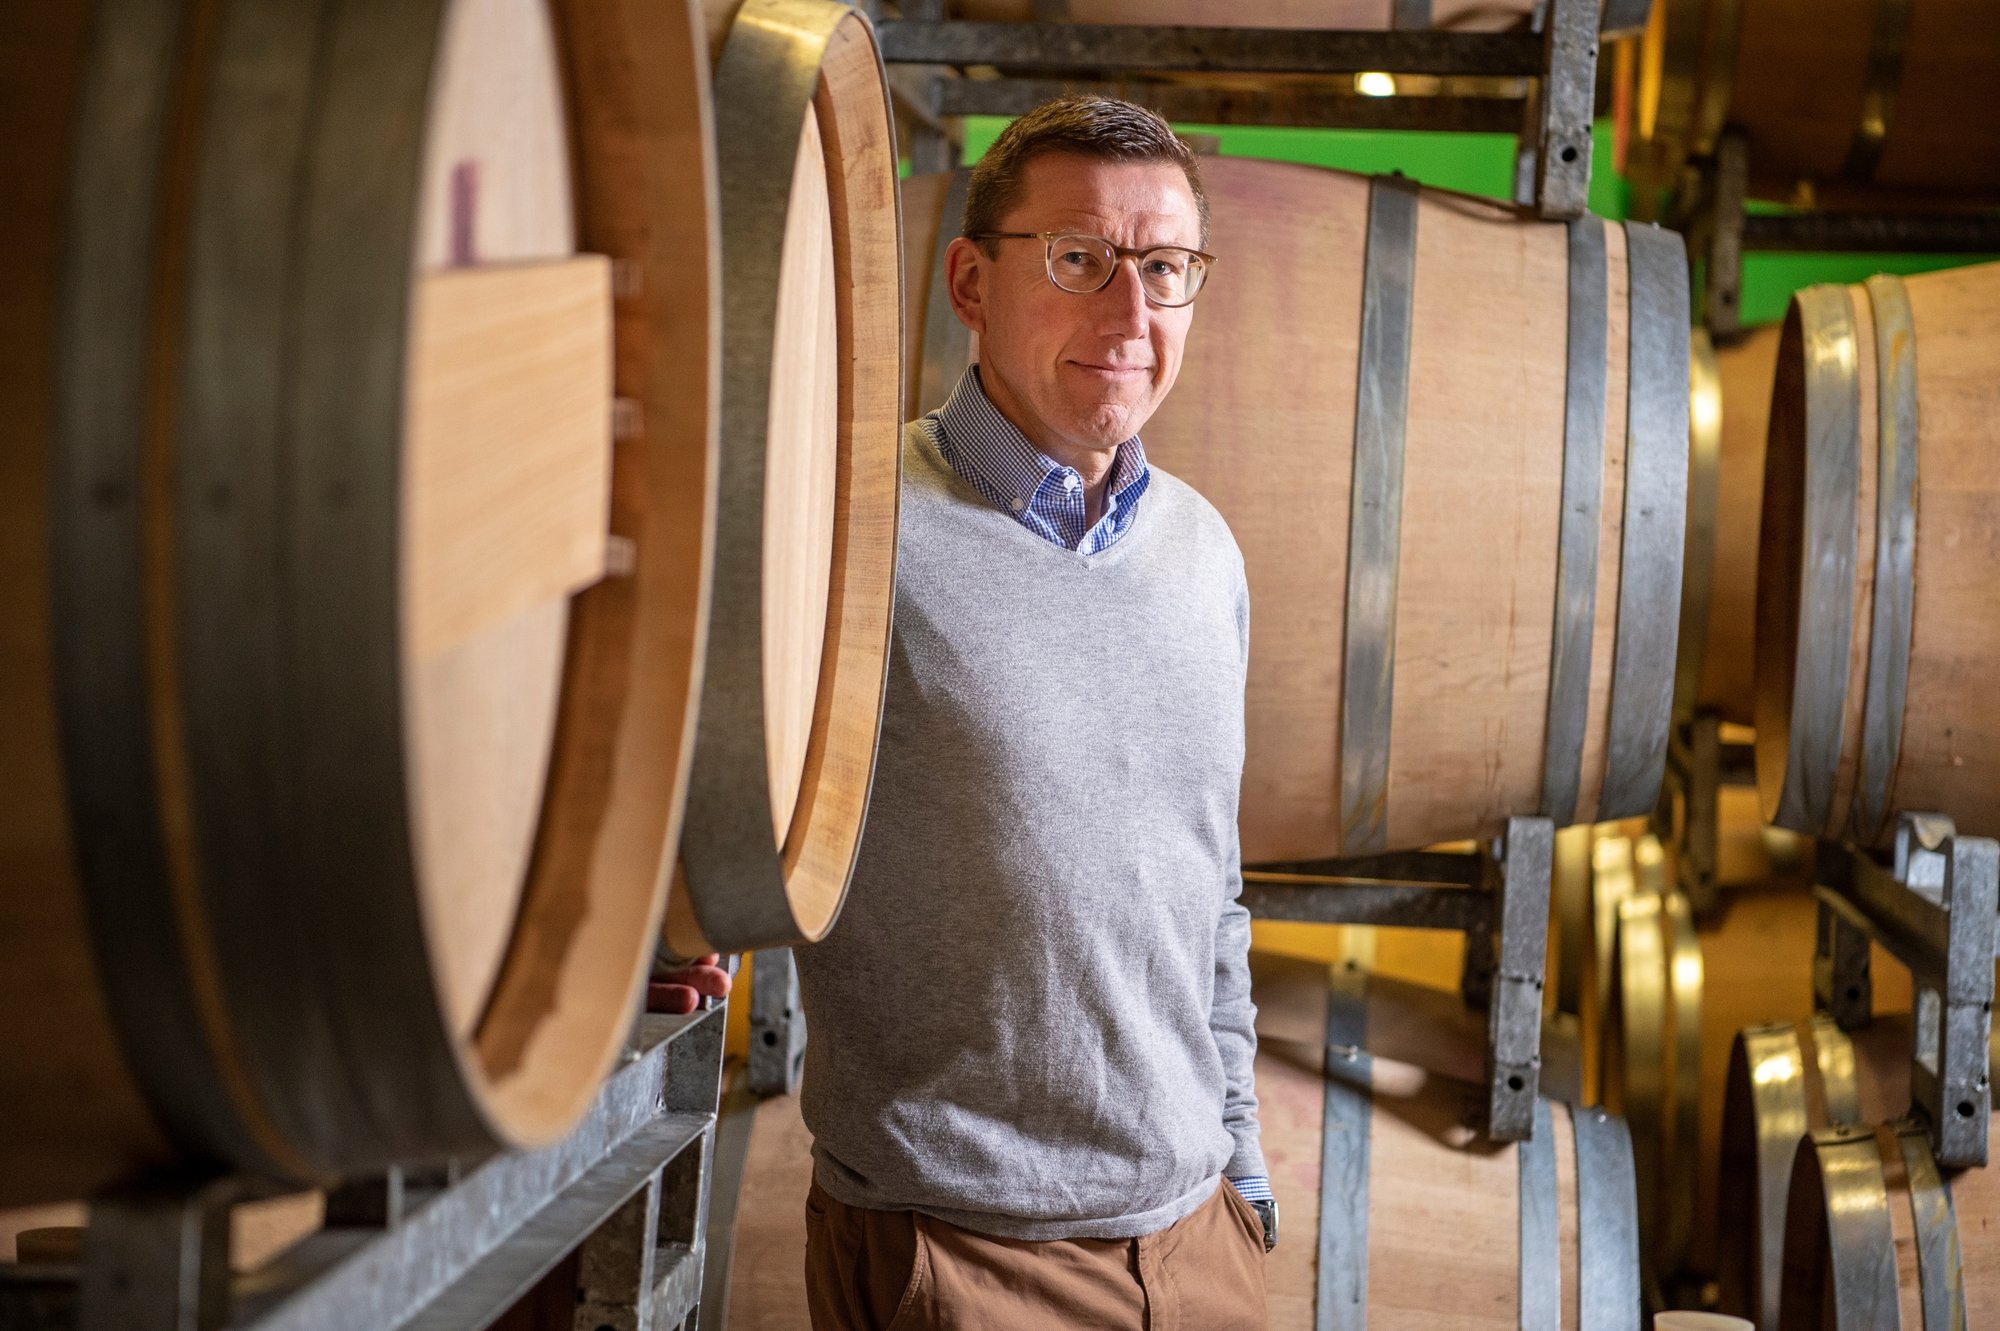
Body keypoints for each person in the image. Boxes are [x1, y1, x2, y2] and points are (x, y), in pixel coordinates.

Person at [793, 95, 1269, 1330]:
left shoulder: (1201, 553)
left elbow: (1209, 889)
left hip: (1195, 1244)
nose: (1128, 314)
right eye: (1077, 260)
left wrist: (1241, 1174)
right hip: (961, 1254)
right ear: (967, 280)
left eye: (1163, 269)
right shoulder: (850, 533)